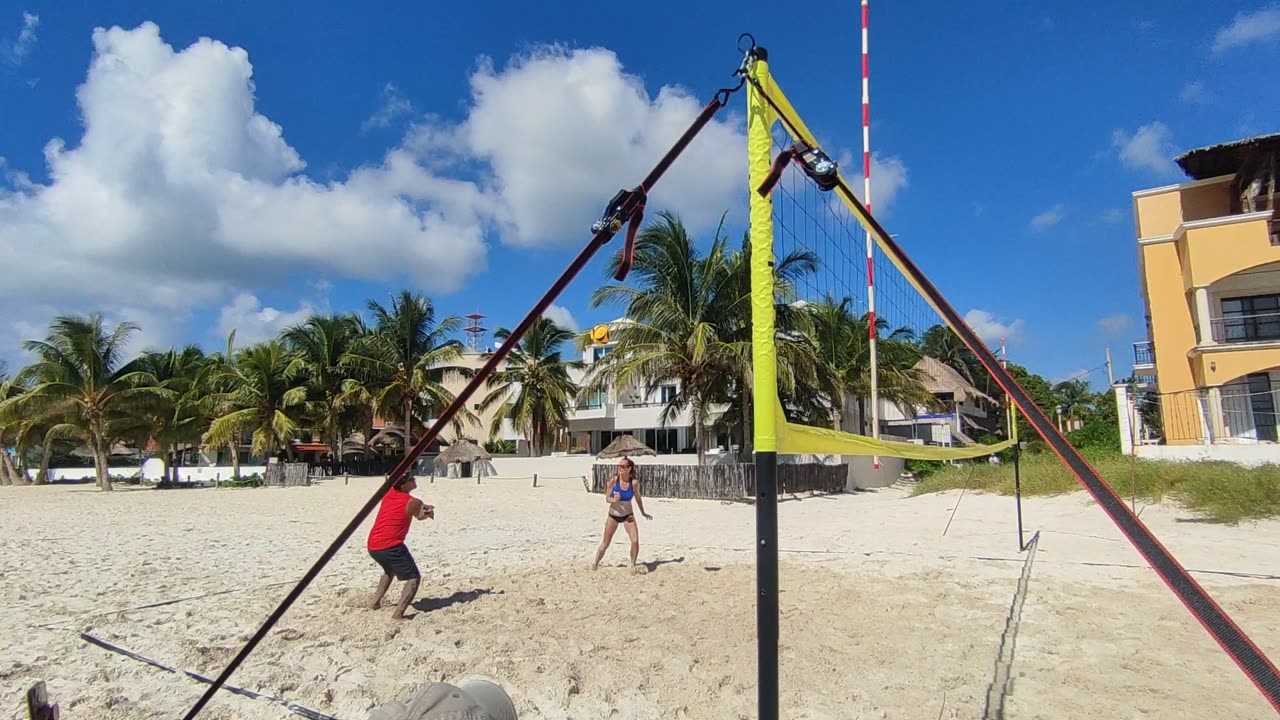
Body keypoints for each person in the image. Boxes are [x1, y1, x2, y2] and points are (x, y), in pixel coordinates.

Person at [368, 473, 433, 619]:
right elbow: (420, 515)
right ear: (403, 486)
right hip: (391, 545)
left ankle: (374, 603)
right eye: (411, 480)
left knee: (389, 570)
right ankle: (398, 614)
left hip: (373, 544)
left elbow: (415, 508)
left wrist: (425, 508)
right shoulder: (413, 502)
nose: (414, 479)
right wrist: (428, 513)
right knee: (414, 578)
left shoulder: (390, 492)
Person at [591, 457, 652, 573]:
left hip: (628, 515)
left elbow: (638, 499)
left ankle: (632, 565)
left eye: (623, 467)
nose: (620, 469)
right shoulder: (613, 481)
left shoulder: (633, 483)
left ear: (629, 468)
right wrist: (614, 500)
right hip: (613, 515)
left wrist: (643, 512)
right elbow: (607, 499)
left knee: (635, 540)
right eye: (619, 466)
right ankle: (595, 564)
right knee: (605, 543)